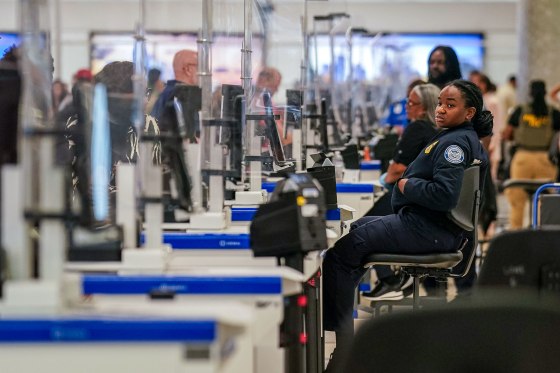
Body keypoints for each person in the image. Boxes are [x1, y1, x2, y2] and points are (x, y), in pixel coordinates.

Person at [323, 79, 492, 372]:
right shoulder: (460, 137)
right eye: (440, 102)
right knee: (357, 229)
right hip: (430, 227)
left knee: (338, 254)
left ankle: (344, 350)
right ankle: (351, 320)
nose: (440, 109)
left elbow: (443, 195)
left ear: (469, 113)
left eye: (450, 105)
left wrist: (406, 184)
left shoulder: (454, 144)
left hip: (427, 230)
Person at [362, 83, 441, 301]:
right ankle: (395, 279)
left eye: (411, 102)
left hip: (409, 199)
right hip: (427, 203)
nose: (406, 106)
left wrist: (383, 182)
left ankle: (389, 279)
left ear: (424, 108)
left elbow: (396, 170)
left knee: (362, 224)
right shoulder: (438, 132)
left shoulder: (417, 128)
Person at [503, 80, 560, 229]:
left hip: (522, 158)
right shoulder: (553, 112)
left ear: (530, 93)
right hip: (545, 159)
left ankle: (515, 235)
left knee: (517, 200)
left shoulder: (520, 110)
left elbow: (507, 134)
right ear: (545, 92)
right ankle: (544, 235)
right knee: (546, 198)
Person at [151, 49, 198, 121]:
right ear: (188, 69)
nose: (202, 73)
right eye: (199, 66)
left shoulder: (167, 93)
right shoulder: (182, 96)